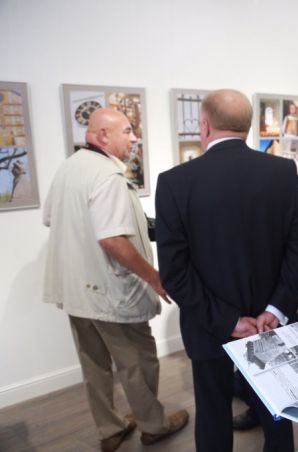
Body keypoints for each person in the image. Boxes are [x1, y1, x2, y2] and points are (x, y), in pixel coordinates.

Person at [155, 89, 298, 452]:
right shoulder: (282, 172)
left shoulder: (175, 182)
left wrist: (226, 320)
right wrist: (275, 309)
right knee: (278, 410)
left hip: (208, 323)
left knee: (213, 412)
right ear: (248, 126)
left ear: (205, 126)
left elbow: (175, 271)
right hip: (270, 323)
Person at [42, 108, 189, 452]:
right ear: (102, 135)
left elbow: (51, 218)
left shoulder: (69, 167)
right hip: (109, 293)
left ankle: (109, 428)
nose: (134, 138)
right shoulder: (108, 175)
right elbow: (112, 240)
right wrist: (154, 278)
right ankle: (153, 425)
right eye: (127, 131)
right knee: (137, 360)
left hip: (76, 291)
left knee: (94, 364)